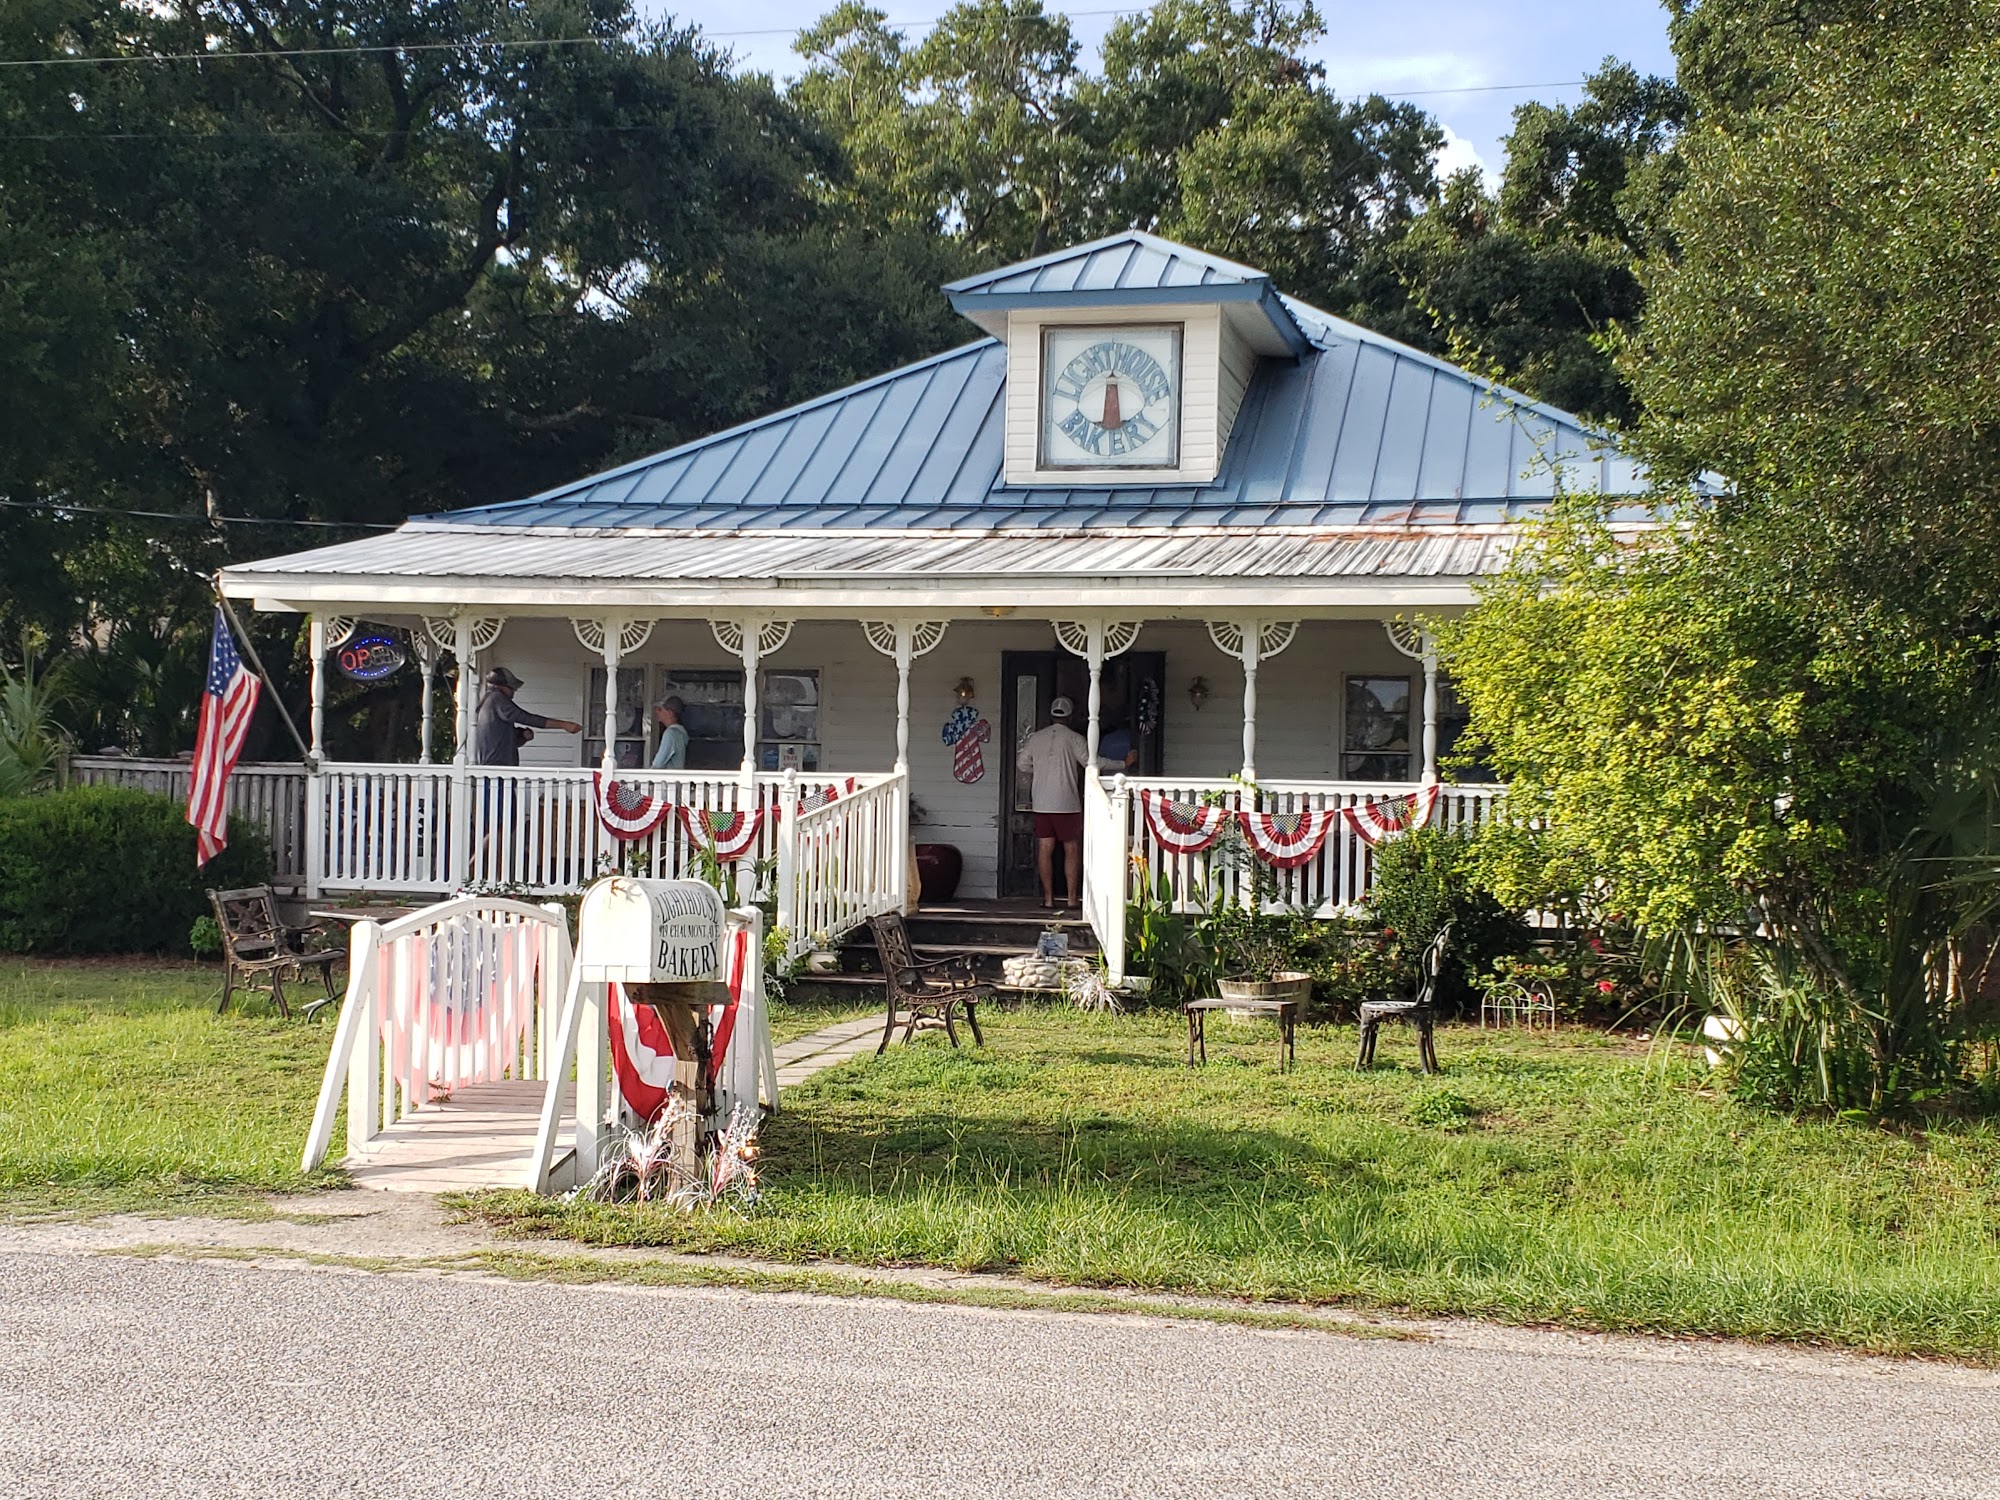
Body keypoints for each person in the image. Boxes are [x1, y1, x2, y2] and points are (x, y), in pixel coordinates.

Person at [1016, 695, 1090, 909]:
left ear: (1050, 714)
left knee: (1045, 847)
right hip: (1067, 802)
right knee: (1071, 848)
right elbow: (1089, 763)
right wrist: (1123, 762)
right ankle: (1071, 898)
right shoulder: (1075, 738)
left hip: (1041, 801)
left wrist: (1038, 770)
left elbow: (1022, 764)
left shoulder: (1036, 738)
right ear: (1070, 715)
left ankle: (1048, 899)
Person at [474, 667, 581, 767]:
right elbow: (525, 718)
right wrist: (563, 725)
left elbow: (502, 739)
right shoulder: (497, 698)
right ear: (499, 686)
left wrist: (522, 735)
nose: (513, 692)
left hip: (498, 768)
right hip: (497, 769)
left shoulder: (489, 701)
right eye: (511, 688)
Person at [651, 695, 689, 769]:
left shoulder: (670, 734)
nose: (656, 711)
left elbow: (657, 765)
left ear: (670, 714)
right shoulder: (681, 733)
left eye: (659, 709)